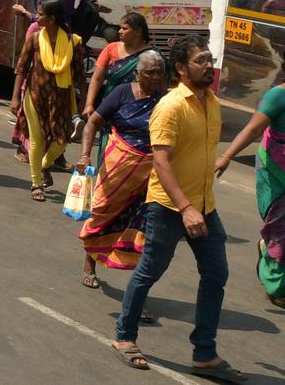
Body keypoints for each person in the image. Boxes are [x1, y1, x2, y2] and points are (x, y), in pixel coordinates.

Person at [110, 36, 243, 382]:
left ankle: (204, 354)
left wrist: (197, 205)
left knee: (216, 274)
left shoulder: (211, 102)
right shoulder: (170, 106)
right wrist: (185, 208)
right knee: (150, 270)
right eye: (201, 61)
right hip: (170, 206)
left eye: (210, 59)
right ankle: (125, 336)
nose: (209, 66)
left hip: (204, 206)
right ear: (181, 69)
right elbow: (162, 163)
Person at [76, 51, 167, 321]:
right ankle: (90, 263)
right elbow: (93, 122)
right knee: (101, 216)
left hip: (150, 177)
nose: (155, 77)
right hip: (117, 167)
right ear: (138, 73)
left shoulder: (166, 100)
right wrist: (84, 154)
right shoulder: (122, 93)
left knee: (144, 232)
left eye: (160, 71)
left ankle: (137, 297)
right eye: (150, 72)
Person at [215, 82, 285, 310]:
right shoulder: (277, 96)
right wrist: (226, 156)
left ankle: (266, 248)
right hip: (275, 170)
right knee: (280, 229)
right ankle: (276, 288)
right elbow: (253, 129)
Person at [11, 0, 85, 202]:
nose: (37, 17)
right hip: (35, 97)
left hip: (61, 99)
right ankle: (36, 183)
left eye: (41, 14)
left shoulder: (73, 42)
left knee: (61, 142)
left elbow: (79, 75)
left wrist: (85, 103)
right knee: (37, 140)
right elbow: (21, 69)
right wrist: (15, 98)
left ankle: (43, 166)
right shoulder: (34, 39)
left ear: (51, 19)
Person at [82, 13, 157, 163]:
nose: (119, 32)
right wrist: (89, 104)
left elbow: (160, 86)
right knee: (108, 150)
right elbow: (97, 78)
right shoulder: (111, 48)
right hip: (110, 109)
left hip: (138, 111)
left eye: (124, 28)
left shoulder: (153, 56)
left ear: (138, 31)